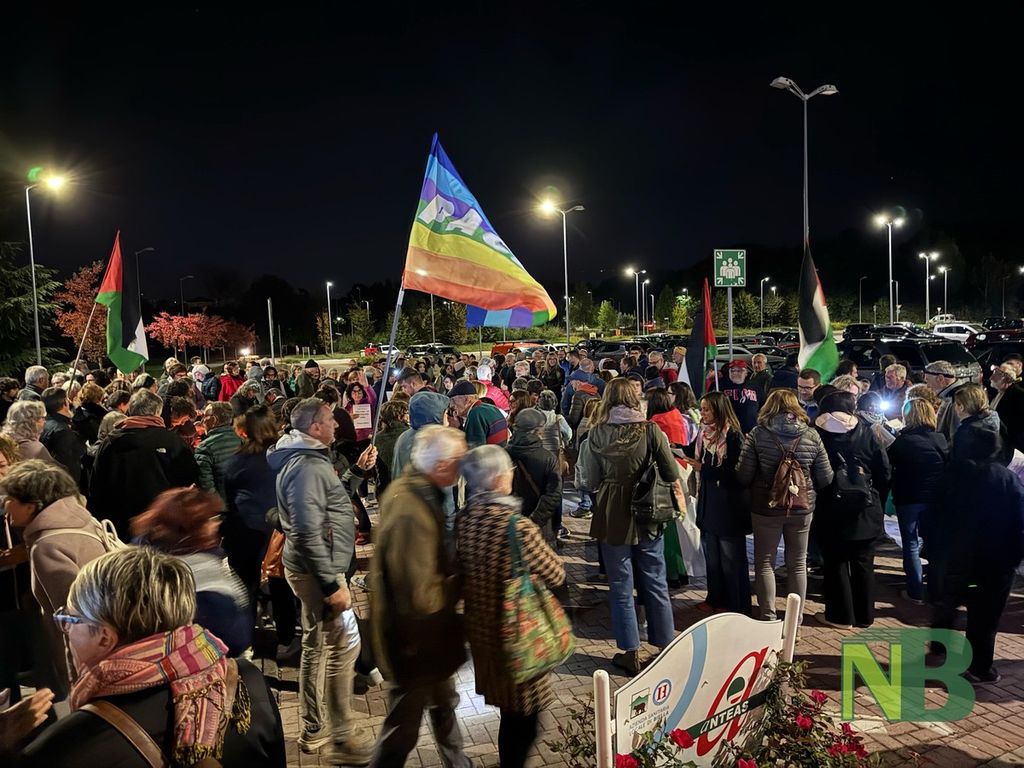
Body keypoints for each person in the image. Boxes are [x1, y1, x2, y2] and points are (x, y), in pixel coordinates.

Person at [19, 546, 286, 766]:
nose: (66, 630)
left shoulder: (69, 744)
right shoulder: (247, 679)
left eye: (70, 619)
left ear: (104, 637)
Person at [266, 398, 373, 760]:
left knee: (319, 644)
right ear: (314, 427)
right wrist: (330, 585)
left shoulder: (308, 459)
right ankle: (338, 735)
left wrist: (356, 472)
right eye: (330, 420)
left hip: (315, 567)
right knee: (341, 646)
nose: (336, 425)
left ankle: (317, 726)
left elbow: (330, 501)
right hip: (318, 571)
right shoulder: (307, 467)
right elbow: (306, 530)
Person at [457, 445, 566, 768]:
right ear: (496, 479)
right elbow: (556, 572)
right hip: (519, 634)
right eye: (508, 471)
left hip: (483, 632)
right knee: (525, 718)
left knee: (511, 712)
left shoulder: (466, 519)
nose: (511, 476)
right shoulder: (516, 527)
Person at [369, 426, 470, 768]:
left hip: (427, 639)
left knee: (444, 704)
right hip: (414, 642)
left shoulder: (416, 492)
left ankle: (459, 764)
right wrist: (459, 582)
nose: (462, 469)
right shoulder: (411, 509)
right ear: (441, 465)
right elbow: (420, 595)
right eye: (458, 461)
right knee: (401, 729)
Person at [576, 378, 681, 675]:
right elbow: (670, 471)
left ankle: (630, 651)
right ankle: (665, 644)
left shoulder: (597, 432)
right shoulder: (650, 430)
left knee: (620, 582)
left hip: (612, 509)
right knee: (655, 577)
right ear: (634, 399)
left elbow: (589, 480)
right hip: (648, 507)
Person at [0, 460, 108, 696]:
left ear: (31, 506)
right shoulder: (81, 519)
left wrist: (77, 679)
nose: (6, 505)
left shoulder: (47, 545)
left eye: (11, 499)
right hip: (107, 636)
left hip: (89, 656)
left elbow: (71, 619)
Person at [930, 426, 1024, 684]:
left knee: (950, 601)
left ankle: (940, 643)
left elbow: (934, 516)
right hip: (995, 563)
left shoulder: (952, 475)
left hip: (958, 559)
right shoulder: (1006, 479)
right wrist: (1013, 558)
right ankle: (980, 668)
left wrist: (939, 548)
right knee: (985, 617)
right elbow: (1019, 523)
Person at [735, 389, 833, 623]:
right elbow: (826, 477)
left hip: (766, 507)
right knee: (798, 564)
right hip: (802, 507)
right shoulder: (811, 434)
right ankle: (794, 622)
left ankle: (768, 617)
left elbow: (743, 475)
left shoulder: (758, 434)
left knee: (765, 563)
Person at [130, 488, 251, 656]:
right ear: (187, 530)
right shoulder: (208, 592)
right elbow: (235, 640)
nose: (216, 524)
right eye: (209, 520)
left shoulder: (139, 556)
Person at [223, 404, 299, 662]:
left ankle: (245, 643)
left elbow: (229, 496)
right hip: (277, 529)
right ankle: (286, 640)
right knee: (281, 586)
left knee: (246, 588)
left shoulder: (237, 460)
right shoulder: (284, 456)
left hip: (245, 530)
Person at [812, 392, 891, 630]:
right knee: (864, 563)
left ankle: (840, 616)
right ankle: (864, 616)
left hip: (831, 506)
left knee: (835, 562)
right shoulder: (868, 432)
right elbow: (884, 471)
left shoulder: (818, 433)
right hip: (865, 507)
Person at [89, 390, 199, 538]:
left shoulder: (110, 442)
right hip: (162, 525)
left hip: (121, 527)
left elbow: (97, 484)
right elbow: (189, 481)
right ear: (157, 412)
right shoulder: (172, 441)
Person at [691, 392, 751, 615]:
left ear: (718, 409)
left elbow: (736, 474)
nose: (703, 413)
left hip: (728, 507)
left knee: (731, 559)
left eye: (707, 409)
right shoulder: (703, 433)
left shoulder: (733, 436)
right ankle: (715, 598)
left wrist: (704, 469)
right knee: (713, 557)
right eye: (702, 408)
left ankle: (736, 605)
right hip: (709, 503)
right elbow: (694, 453)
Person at [887, 399, 948, 605]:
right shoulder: (940, 439)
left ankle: (915, 592)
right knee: (934, 544)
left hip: (909, 497)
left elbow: (890, 466)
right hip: (935, 498)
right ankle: (936, 591)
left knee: (910, 543)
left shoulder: (902, 442)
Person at [646, 389, 691, 589]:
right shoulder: (675, 414)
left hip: (666, 477)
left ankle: (671, 573)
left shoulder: (656, 421)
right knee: (679, 526)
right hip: (681, 470)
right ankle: (681, 571)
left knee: (668, 529)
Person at [506, 408, 561, 547]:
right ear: (538, 431)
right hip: (538, 525)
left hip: (509, 522)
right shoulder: (547, 458)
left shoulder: (502, 454)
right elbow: (554, 494)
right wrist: (534, 521)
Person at [952, 383, 1013, 465]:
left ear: (961, 407)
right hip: (999, 467)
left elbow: (960, 463)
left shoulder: (966, 432)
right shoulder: (994, 418)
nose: (955, 407)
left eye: (956, 404)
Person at [195, 401, 242, 501]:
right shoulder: (242, 439)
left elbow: (207, 487)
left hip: (224, 506)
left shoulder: (204, 448)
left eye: (205, 416)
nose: (202, 421)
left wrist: (221, 507)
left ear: (214, 420)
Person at [449, 380, 508, 448]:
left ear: (467, 399)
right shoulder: (491, 408)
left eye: (453, 400)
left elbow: (473, 449)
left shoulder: (475, 414)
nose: (451, 405)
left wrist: (456, 430)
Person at [374, 400, 410, 494]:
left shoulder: (377, 438)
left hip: (385, 488)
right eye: (406, 413)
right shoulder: (409, 435)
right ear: (399, 416)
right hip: (406, 488)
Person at [990, 364, 1024, 454]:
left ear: (1007, 379)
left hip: (1010, 447)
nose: (991, 377)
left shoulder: (1019, 396)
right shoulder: (996, 392)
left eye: (996, 375)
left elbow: (1017, 427)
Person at [720, 360, 760, 434]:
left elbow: (763, 405)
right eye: (732, 371)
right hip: (729, 431)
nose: (735, 373)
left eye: (739, 370)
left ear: (746, 373)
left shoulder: (755, 386)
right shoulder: (720, 386)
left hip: (750, 431)